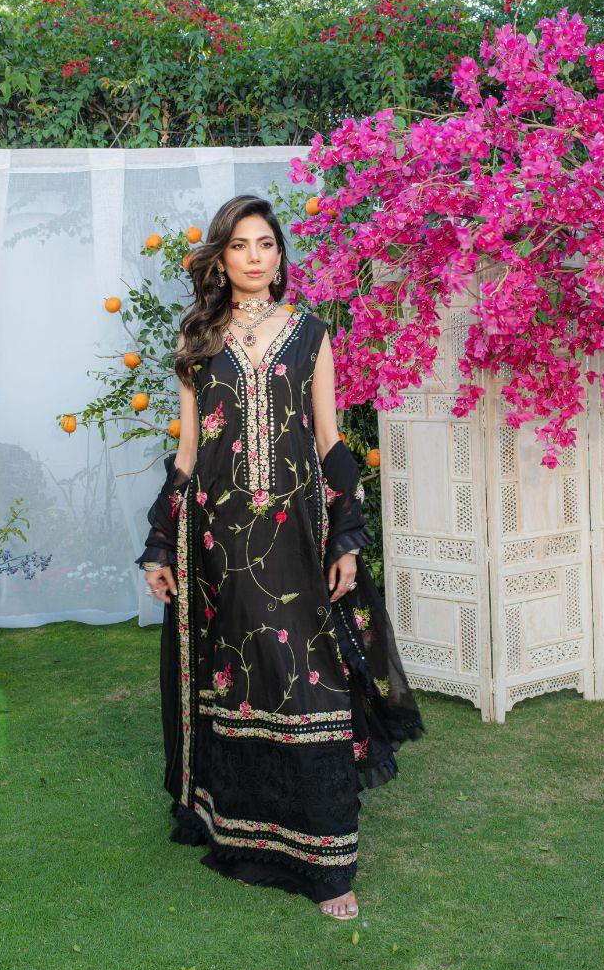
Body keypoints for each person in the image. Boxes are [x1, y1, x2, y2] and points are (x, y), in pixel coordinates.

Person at [136, 194, 425, 919]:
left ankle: (330, 863)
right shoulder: (198, 341)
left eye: (266, 243)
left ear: (280, 255)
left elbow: (329, 440)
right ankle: (244, 832)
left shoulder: (311, 333)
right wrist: (161, 543)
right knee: (244, 677)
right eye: (240, 245)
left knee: (311, 680)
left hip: (297, 539)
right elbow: (188, 453)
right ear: (221, 258)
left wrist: (347, 536)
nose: (255, 256)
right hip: (220, 544)